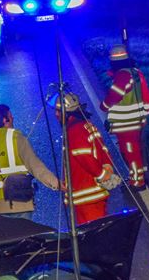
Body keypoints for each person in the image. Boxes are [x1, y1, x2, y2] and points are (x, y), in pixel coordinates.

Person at [51, 91, 120, 225]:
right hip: (93, 194)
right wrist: (107, 171)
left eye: (59, 111)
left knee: (93, 237)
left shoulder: (74, 130)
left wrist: (102, 175)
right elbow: (103, 150)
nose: (56, 115)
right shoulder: (86, 125)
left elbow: (84, 157)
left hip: (87, 195)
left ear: (68, 111)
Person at [100, 44, 149, 189]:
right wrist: (144, 115)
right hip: (137, 120)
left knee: (130, 152)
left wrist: (104, 106)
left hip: (126, 123)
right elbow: (147, 96)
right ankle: (137, 176)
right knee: (135, 150)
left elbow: (114, 96)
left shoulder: (123, 76)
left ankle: (137, 182)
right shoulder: (136, 72)